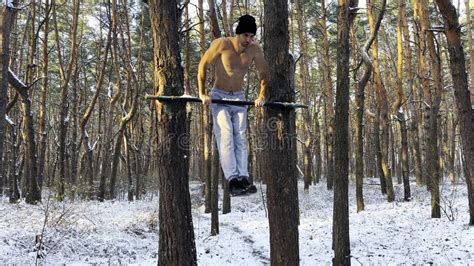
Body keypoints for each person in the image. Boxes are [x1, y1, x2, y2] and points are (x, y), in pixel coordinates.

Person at [197, 14, 269, 196]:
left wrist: (261, 96)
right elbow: (203, 65)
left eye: (252, 36)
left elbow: (264, 74)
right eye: (245, 35)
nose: (248, 39)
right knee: (226, 134)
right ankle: (232, 180)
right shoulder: (222, 44)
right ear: (238, 33)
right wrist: (202, 93)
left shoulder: (254, 50)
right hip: (219, 96)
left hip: (238, 97)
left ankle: (243, 177)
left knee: (241, 136)